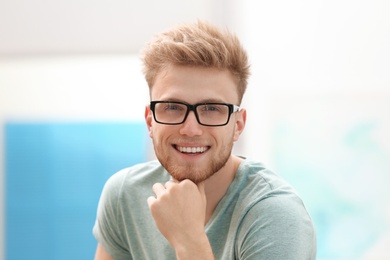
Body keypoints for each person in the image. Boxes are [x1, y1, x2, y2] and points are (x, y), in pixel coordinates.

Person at [93, 20, 316, 260]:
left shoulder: (276, 215)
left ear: (238, 124)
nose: (191, 129)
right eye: (172, 107)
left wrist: (189, 239)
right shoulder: (123, 196)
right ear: (150, 121)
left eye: (211, 108)